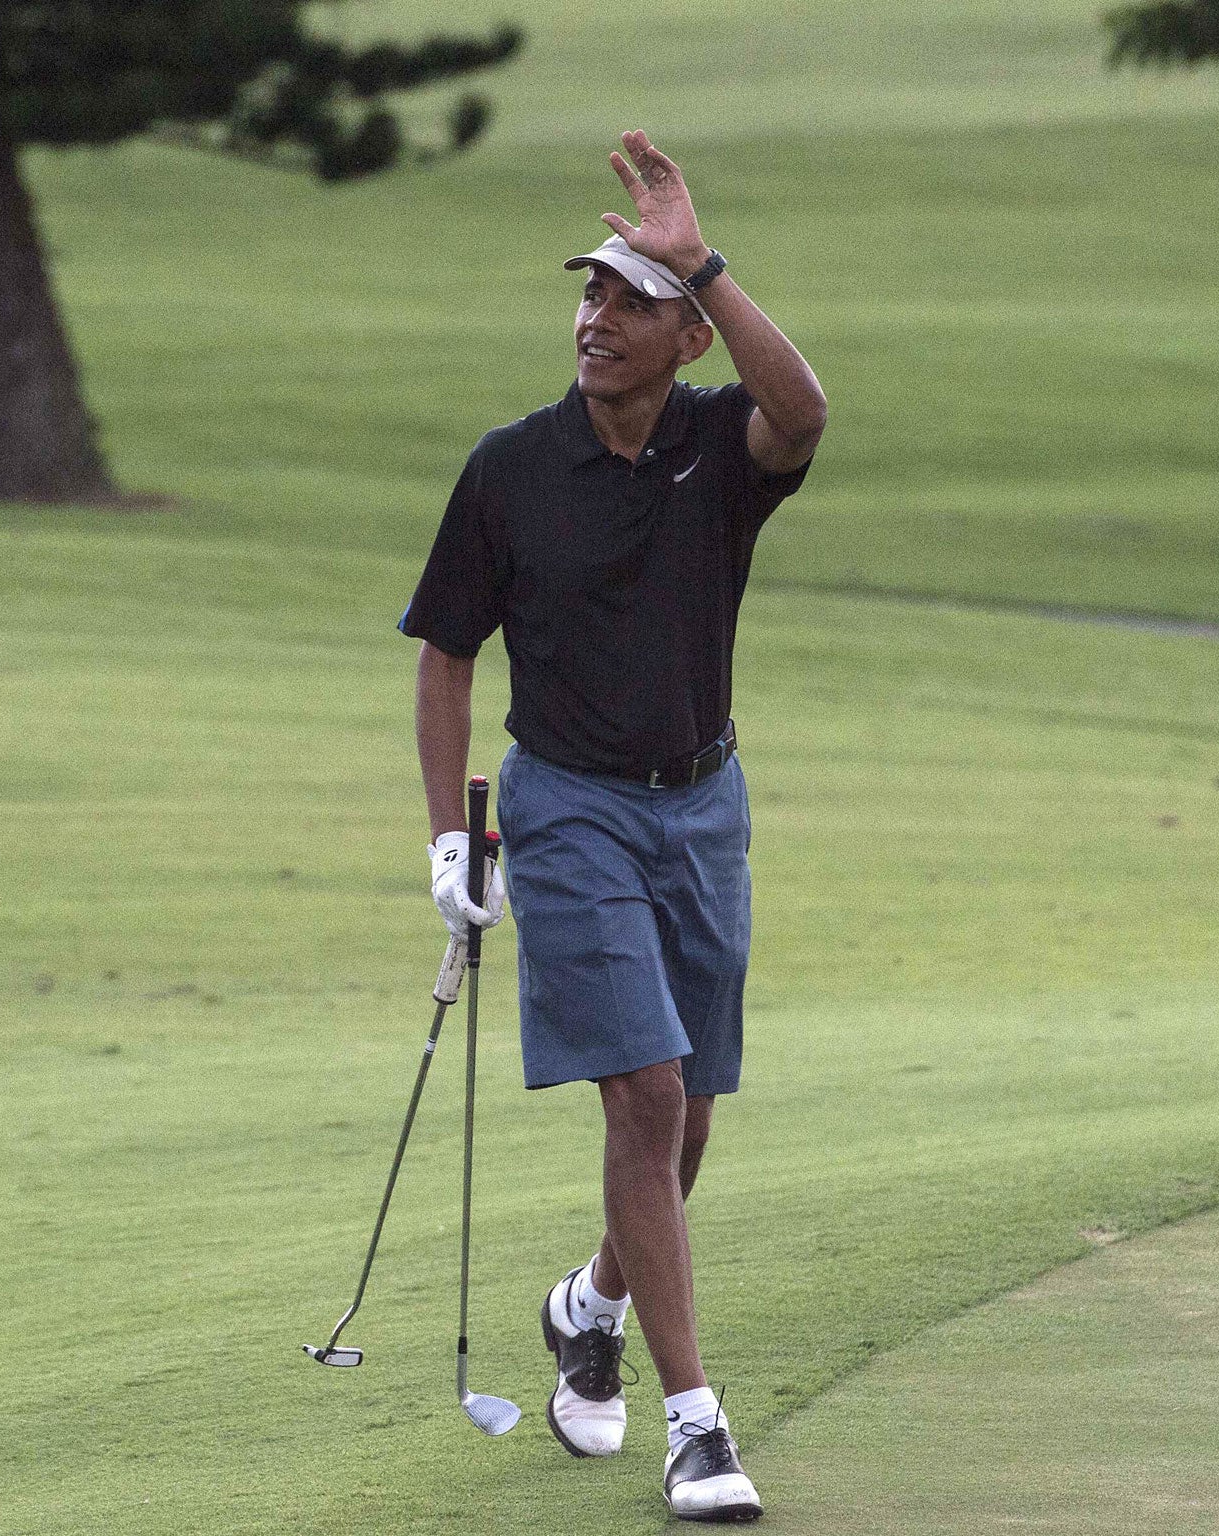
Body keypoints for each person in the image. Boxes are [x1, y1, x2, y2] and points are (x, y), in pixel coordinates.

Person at [398, 130, 827, 1522]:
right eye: (591, 296)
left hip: (705, 807)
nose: (597, 319)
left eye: (634, 302)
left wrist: (702, 253)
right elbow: (446, 657)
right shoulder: (511, 469)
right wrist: (451, 845)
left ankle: (588, 1305)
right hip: (569, 808)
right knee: (643, 1097)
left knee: (688, 1115)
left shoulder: (721, 443)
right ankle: (698, 1427)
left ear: (688, 336)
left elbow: (805, 410)